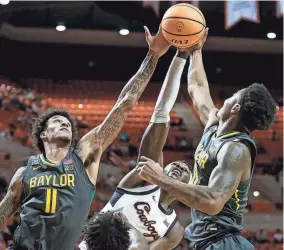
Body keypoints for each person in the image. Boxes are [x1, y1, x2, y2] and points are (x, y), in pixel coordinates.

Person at [0, 26, 171, 250]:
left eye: (67, 123)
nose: (64, 123)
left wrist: (153, 56)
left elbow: (124, 103)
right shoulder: (25, 173)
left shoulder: (83, 159)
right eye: (57, 121)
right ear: (43, 135)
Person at [136, 28, 278, 250]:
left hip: (224, 242)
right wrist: (195, 49)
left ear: (236, 108)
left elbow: (213, 201)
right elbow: (197, 87)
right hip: (205, 240)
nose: (226, 98)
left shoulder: (236, 150)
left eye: (232, 97)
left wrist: (162, 180)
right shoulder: (214, 124)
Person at [80, 49, 192, 250]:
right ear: (161, 170)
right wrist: (181, 56)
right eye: (176, 164)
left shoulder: (174, 231)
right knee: (134, 236)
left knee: (138, 243)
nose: (180, 167)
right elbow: (161, 112)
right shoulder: (141, 183)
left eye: (186, 171)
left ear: (187, 187)